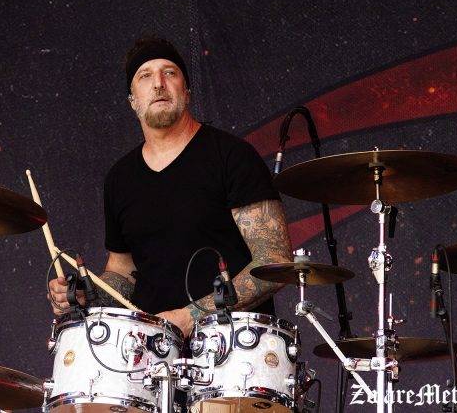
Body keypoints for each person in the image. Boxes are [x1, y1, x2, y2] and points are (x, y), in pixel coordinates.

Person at [48, 38, 293, 337]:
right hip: (151, 352)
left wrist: (191, 317)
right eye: (145, 75)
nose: (158, 84)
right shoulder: (120, 178)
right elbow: (123, 271)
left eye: (170, 73)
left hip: (231, 347)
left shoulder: (232, 156)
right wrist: (87, 295)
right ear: (132, 100)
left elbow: (274, 261)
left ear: (187, 93)